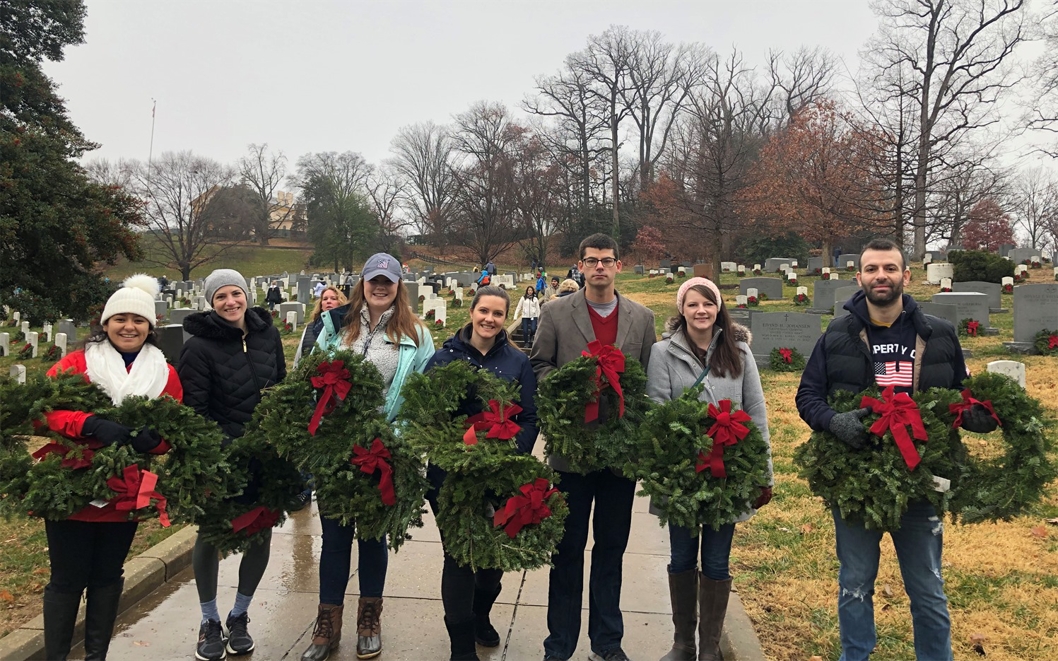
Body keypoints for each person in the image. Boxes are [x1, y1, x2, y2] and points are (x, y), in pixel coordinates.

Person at [795, 238, 996, 661]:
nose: (880, 276)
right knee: (854, 585)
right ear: (860, 277)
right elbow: (808, 395)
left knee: (927, 589)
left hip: (920, 481)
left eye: (889, 268)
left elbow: (962, 396)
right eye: (871, 269)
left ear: (906, 276)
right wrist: (836, 422)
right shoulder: (837, 334)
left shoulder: (939, 335)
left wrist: (977, 416)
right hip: (856, 482)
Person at [300, 253, 434, 661]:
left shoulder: (415, 332)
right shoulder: (335, 326)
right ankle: (327, 625)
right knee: (336, 539)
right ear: (362, 283)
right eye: (373, 280)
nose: (380, 287)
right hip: (338, 448)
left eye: (387, 281)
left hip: (382, 450)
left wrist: (395, 439)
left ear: (398, 285)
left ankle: (369, 619)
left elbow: (419, 396)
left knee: (373, 538)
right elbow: (310, 376)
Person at [40, 275, 179, 661]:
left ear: (151, 327)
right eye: (120, 319)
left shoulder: (164, 373)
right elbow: (44, 413)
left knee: (106, 576)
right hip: (73, 487)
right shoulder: (76, 364)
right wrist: (87, 423)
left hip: (125, 490)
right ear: (105, 323)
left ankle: (95, 655)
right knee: (67, 579)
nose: (129, 327)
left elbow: (175, 427)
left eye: (139, 320)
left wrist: (157, 441)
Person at [531, 233, 657, 661]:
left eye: (607, 260)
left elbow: (646, 381)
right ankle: (559, 643)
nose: (599, 267)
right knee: (566, 549)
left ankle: (607, 642)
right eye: (591, 261)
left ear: (619, 265)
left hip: (620, 455)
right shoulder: (555, 313)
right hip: (572, 451)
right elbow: (538, 365)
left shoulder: (642, 318)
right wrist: (571, 387)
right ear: (580, 266)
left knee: (611, 549)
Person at [646, 278, 773, 661]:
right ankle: (682, 643)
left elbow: (756, 412)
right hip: (683, 473)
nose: (701, 311)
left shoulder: (740, 352)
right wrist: (671, 464)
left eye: (708, 304)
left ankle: (710, 648)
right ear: (681, 310)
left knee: (717, 560)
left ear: (719, 308)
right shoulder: (662, 353)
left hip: (728, 476)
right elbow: (657, 410)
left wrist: (763, 473)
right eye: (692, 304)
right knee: (682, 557)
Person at [424, 285, 539, 661]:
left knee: (491, 559)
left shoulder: (517, 362)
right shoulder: (443, 359)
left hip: (499, 475)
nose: (489, 319)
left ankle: (480, 615)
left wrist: (510, 451)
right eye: (484, 311)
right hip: (451, 477)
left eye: (498, 314)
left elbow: (530, 416)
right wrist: (454, 452)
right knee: (458, 556)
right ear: (472, 312)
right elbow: (427, 414)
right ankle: (460, 646)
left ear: (507, 318)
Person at [179, 268, 287, 661]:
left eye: (235, 294)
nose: (230, 302)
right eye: (221, 296)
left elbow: (280, 385)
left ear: (247, 295)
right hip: (222, 460)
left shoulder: (266, 334)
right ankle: (209, 620)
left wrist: (279, 439)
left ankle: (239, 615)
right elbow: (195, 412)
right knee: (210, 536)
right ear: (211, 301)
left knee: (260, 534)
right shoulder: (198, 348)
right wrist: (227, 451)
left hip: (267, 458)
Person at [293, 285, 348, 369]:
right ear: (321, 305)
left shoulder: (347, 328)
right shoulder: (310, 327)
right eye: (325, 299)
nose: (328, 301)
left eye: (333, 298)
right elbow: (299, 357)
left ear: (340, 303)